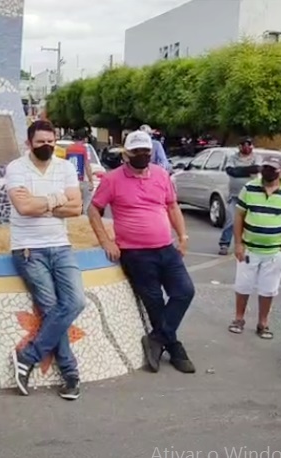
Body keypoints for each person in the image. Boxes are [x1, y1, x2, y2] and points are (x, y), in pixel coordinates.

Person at [88, 130, 196, 374]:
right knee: (155, 302)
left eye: (146, 151)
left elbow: (171, 206)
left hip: (166, 248)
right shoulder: (112, 179)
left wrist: (183, 236)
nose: (142, 155)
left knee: (185, 291)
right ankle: (175, 348)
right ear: (126, 153)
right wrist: (106, 241)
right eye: (136, 152)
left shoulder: (161, 175)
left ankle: (157, 339)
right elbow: (94, 210)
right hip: (135, 253)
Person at [6, 120, 86, 400]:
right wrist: (57, 199)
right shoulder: (16, 168)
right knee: (54, 309)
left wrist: (42, 203)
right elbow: (24, 208)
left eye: (50, 141)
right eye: (40, 142)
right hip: (28, 250)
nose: (46, 146)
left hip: (61, 247)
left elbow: (77, 207)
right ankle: (71, 374)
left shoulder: (65, 168)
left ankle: (27, 357)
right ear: (29, 143)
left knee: (75, 302)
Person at [228, 156, 281, 340]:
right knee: (243, 286)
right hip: (249, 248)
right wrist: (238, 243)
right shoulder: (249, 188)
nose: (268, 172)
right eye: (266, 168)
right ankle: (239, 319)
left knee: (268, 290)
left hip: (275, 251)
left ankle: (263, 323)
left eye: (273, 169)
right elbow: (239, 217)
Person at [219, 138, 261, 255]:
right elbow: (231, 171)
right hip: (235, 195)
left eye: (249, 144)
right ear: (240, 146)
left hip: (251, 196)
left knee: (251, 222)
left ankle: (248, 245)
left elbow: (256, 169)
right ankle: (224, 243)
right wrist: (247, 170)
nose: (247, 147)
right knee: (231, 220)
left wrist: (240, 170)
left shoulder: (256, 157)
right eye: (244, 144)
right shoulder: (233, 158)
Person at [64, 129, 94, 214]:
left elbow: (65, 164)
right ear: (84, 138)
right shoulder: (84, 149)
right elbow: (87, 165)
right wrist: (91, 181)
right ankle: (83, 216)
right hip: (81, 181)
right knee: (86, 201)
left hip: (71, 181)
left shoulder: (68, 149)